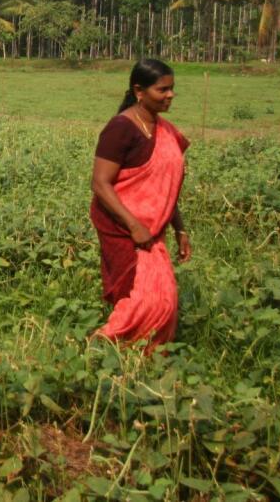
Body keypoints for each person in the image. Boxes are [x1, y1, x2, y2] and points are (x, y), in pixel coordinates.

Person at [90, 59, 191, 351]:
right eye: (163, 89)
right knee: (139, 297)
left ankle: (141, 355)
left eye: (172, 89)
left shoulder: (165, 130)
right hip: (121, 226)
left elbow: (165, 190)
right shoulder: (121, 128)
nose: (170, 95)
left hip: (152, 229)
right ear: (139, 91)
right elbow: (100, 183)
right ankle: (103, 349)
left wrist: (180, 230)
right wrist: (134, 225)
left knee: (163, 299)